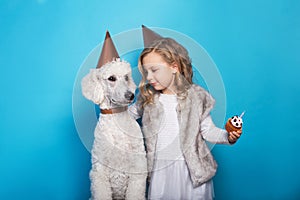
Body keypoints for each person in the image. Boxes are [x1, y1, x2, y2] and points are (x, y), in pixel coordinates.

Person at [129, 37, 242, 200]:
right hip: (160, 169)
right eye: (146, 72)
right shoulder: (147, 97)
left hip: (191, 170)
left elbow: (208, 131)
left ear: (174, 67)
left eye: (154, 70)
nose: (149, 77)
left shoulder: (196, 96)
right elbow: (127, 117)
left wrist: (228, 136)